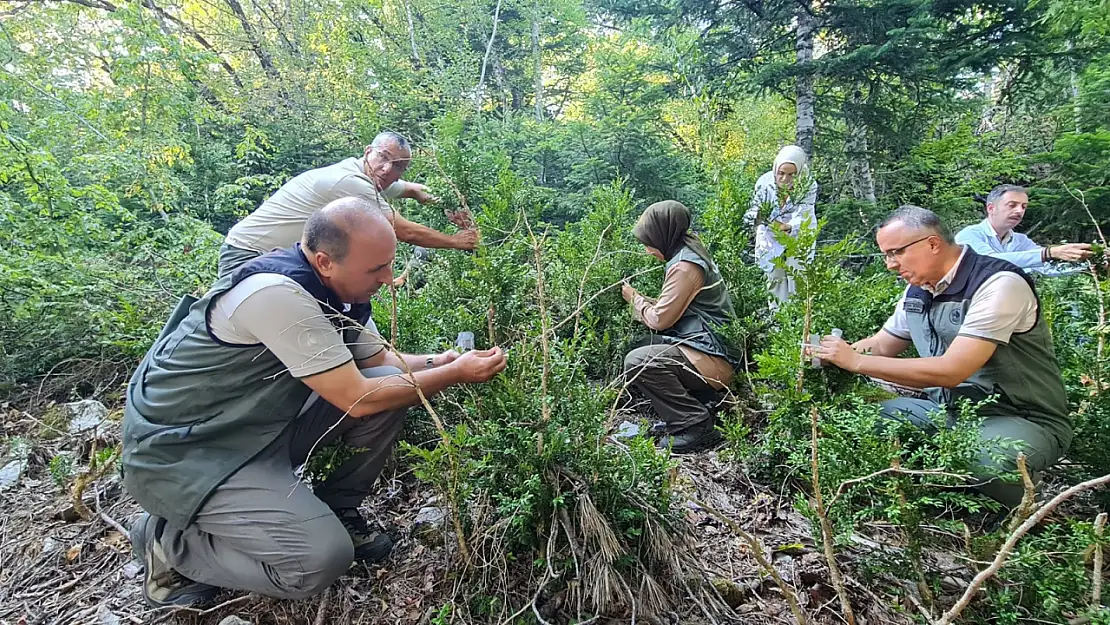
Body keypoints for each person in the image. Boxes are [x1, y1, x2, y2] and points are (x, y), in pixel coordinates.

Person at [122, 197, 507, 608]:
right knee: (319, 560)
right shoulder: (276, 294)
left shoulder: (340, 288)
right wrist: (454, 375)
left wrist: (440, 361)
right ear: (324, 261)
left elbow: (378, 362)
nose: (388, 278)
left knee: (393, 388)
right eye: (377, 269)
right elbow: (357, 397)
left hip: (254, 429)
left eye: (389, 263)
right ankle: (169, 541)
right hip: (186, 454)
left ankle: (334, 510)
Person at [813, 205, 1071, 507]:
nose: (890, 265)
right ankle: (949, 492)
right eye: (886, 255)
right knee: (858, 419)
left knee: (985, 458)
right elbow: (882, 344)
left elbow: (953, 370)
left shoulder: (999, 284)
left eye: (896, 253)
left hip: (1023, 418)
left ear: (932, 244)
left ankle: (1030, 511)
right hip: (948, 412)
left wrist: (856, 362)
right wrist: (832, 352)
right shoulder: (918, 289)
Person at [218, 131, 480, 278]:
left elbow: (411, 189)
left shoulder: (366, 176)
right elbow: (404, 231)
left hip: (273, 258)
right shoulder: (349, 182)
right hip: (247, 255)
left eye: (399, 166)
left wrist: (444, 203)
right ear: (368, 152)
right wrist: (458, 241)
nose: (388, 169)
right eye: (384, 158)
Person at [621, 201, 738, 453]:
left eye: (649, 242)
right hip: (710, 347)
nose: (647, 249)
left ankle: (695, 424)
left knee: (639, 361)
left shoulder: (685, 266)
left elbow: (660, 320)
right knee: (642, 346)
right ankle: (698, 407)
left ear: (666, 234)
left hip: (714, 358)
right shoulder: (689, 250)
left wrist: (634, 298)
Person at [955, 184, 1092, 275]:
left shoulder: (1021, 241)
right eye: (1012, 205)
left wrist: (1089, 265)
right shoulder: (970, 235)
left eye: (1024, 206)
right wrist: (1048, 253)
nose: (1019, 211)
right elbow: (990, 262)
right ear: (991, 208)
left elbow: (1046, 268)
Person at [743, 145, 818, 304]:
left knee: (797, 275)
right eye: (781, 173)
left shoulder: (808, 184)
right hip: (770, 234)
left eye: (791, 174)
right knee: (775, 276)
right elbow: (754, 209)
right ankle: (777, 321)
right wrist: (759, 220)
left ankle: (798, 318)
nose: (785, 179)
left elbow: (805, 213)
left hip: (798, 234)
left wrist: (788, 227)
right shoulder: (764, 183)